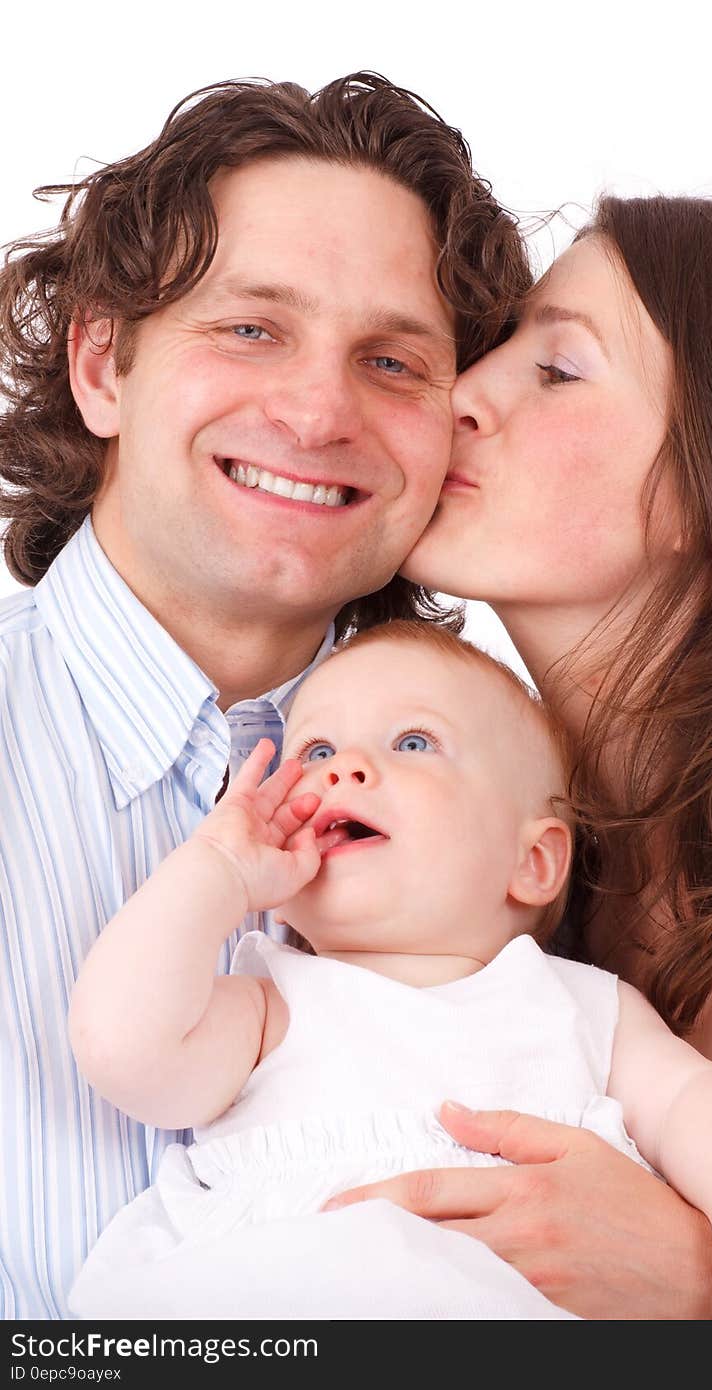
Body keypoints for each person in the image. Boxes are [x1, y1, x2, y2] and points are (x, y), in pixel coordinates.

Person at [0, 73, 530, 1319]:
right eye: (250, 328)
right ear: (100, 366)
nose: (316, 410)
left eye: (391, 360)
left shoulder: (526, 794)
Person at [326, 195, 712, 1318]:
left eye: (558, 369)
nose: (462, 395)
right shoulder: (497, 843)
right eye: (497, 350)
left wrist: (705, 1271)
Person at [67, 622, 712, 1320]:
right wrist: (218, 870)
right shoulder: (273, 1007)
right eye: (316, 749)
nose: (343, 768)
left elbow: (702, 1110)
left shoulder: (580, 1008)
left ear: (534, 861)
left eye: (413, 742)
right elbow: (123, 1050)